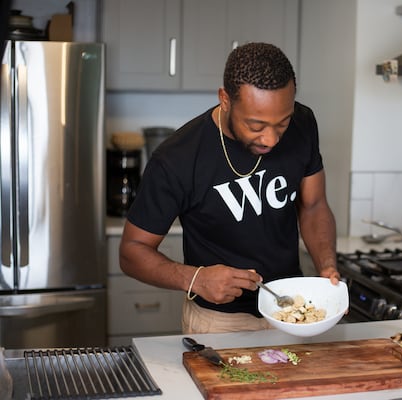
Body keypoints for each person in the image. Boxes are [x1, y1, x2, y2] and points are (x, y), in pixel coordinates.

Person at [119, 42, 340, 334]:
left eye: (282, 123)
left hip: (290, 311)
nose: (271, 139)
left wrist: (326, 267)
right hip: (220, 321)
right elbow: (132, 251)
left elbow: (313, 206)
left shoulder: (303, 123)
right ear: (225, 99)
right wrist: (196, 279)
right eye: (256, 125)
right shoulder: (177, 158)